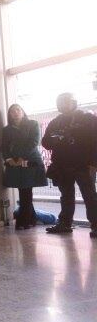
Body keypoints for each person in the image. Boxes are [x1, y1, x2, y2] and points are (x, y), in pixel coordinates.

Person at [42, 93, 97, 237]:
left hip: (84, 165)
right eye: (60, 102)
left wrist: (93, 163)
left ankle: (96, 225)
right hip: (62, 165)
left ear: (74, 102)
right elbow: (45, 142)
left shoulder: (87, 118)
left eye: (66, 101)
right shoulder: (56, 122)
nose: (63, 104)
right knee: (66, 196)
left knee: (90, 196)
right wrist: (56, 140)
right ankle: (65, 224)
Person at [1, 104, 46, 230]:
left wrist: (20, 158)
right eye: (12, 111)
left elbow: (34, 142)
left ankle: (23, 220)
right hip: (14, 162)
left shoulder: (33, 124)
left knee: (26, 189)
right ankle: (30, 218)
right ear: (9, 115)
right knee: (23, 189)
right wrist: (9, 159)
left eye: (18, 110)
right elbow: (4, 147)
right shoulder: (7, 129)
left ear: (22, 112)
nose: (15, 113)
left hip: (30, 160)